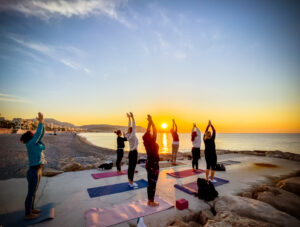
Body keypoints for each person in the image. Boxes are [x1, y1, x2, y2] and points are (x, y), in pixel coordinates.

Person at [20, 112, 47, 220]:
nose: (34, 136)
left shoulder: (35, 144)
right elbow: (37, 135)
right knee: (30, 193)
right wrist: (40, 122)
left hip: (38, 170)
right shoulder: (30, 144)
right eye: (32, 135)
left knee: (34, 192)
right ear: (30, 138)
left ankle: (32, 209)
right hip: (33, 172)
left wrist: (42, 123)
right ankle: (27, 214)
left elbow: (40, 135)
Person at [143, 115, 160, 207]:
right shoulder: (152, 142)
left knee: (150, 183)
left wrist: (150, 122)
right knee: (152, 184)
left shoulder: (147, 143)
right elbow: (155, 130)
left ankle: (149, 200)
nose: (152, 134)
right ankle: (151, 201)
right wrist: (151, 122)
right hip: (153, 166)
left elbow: (150, 131)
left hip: (149, 164)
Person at [125, 112, 138, 187]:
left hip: (131, 153)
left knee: (130, 167)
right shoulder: (132, 135)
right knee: (132, 168)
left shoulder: (128, 135)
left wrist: (129, 118)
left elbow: (129, 126)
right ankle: (131, 183)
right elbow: (134, 126)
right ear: (132, 130)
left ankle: (130, 181)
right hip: (134, 153)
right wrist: (133, 118)